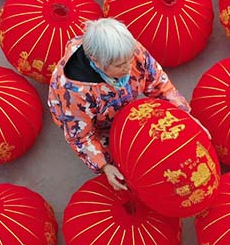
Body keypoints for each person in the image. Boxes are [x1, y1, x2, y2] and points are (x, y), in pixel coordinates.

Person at [48, 18, 202, 191]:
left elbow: (158, 82)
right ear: (96, 61)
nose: (129, 67)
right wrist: (104, 165)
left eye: (129, 59)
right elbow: (81, 135)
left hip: (122, 102)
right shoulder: (73, 91)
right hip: (93, 122)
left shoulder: (127, 50)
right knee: (130, 164)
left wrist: (184, 115)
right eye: (120, 65)